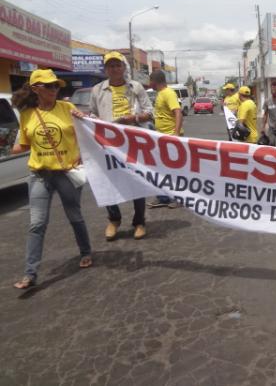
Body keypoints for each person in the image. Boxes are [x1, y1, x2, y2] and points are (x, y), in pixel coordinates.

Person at [11, 69, 92, 289]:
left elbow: (85, 133)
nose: (55, 89)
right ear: (36, 89)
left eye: (57, 85)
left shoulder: (68, 108)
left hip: (66, 173)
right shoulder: (28, 114)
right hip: (39, 175)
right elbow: (25, 145)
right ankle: (30, 274)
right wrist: (11, 147)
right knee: (36, 224)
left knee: (74, 216)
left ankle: (85, 252)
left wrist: (87, 121)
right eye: (49, 86)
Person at [89, 51, 154, 240]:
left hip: (133, 141)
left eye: (118, 65)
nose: (115, 69)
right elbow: (92, 114)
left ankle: (139, 222)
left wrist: (132, 118)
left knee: (136, 181)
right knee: (108, 180)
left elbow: (149, 112)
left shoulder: (136, 87)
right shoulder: (97, 90)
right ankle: (114, 219)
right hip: (107, 144)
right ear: (105, 69)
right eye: (111, 65)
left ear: (124, 67)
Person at [147, 70, 183, 209]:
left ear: (154, 81)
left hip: (170, 137)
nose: (149, 84)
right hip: (161, 137)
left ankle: (179, 198)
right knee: (160, 169)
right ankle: (163, 197)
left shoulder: (168, 93)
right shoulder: (160, 94)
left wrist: (176, 134)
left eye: (150, 81)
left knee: (174, 170)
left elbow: (178, 112)